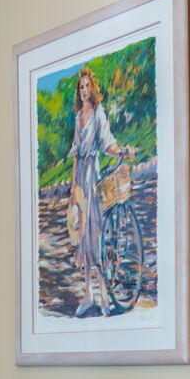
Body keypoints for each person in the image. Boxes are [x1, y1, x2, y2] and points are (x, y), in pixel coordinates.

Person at [67, 67, 133, 316]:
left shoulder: (98, 113)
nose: (84, 91)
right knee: (81, 235)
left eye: (87, 87)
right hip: (80, 178)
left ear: (91, 89)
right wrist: (73, 187)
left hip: (93, 175)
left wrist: (121, 151)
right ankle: (87, 295)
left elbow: (107, 143)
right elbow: (75, 154)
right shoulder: (77, 118)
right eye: (80, 88)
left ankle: (104, 294)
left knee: (96, 234)